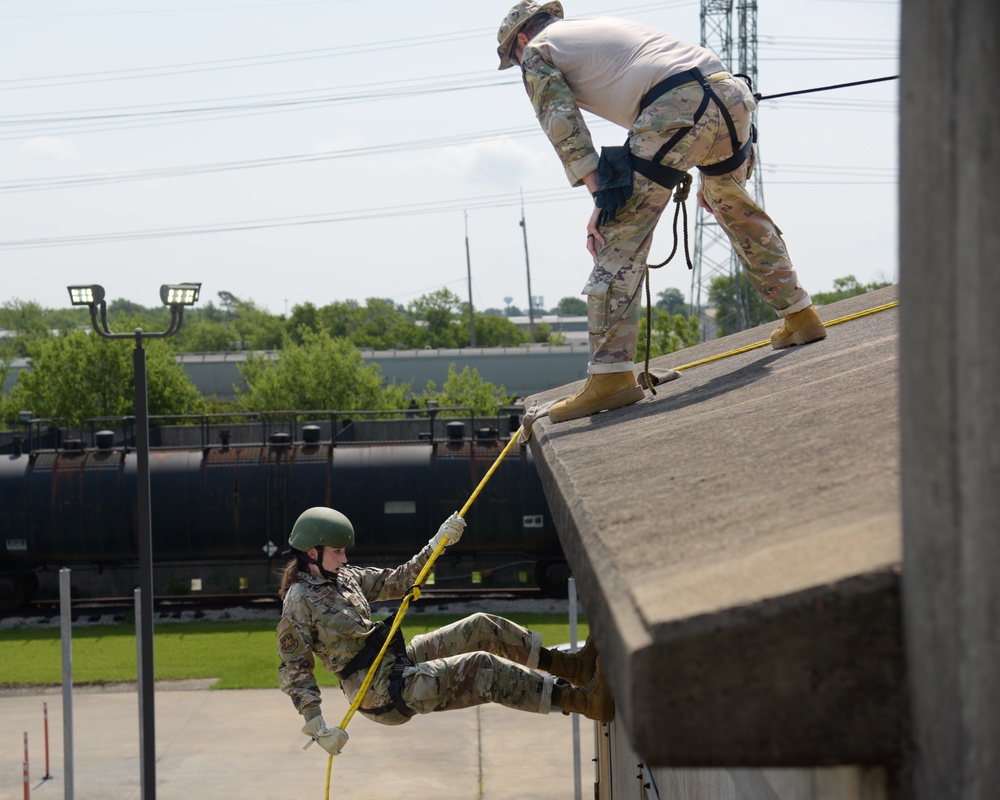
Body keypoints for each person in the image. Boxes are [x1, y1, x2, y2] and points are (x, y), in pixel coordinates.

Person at [497, 1, 827, 423]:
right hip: (730, 94)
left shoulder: (538, 52)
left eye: (514, 55)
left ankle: (611, 377)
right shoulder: (598, 30)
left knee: (618, 238)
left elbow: (562, 124)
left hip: (676, 107)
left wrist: (603, 199)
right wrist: (721, 167)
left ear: (520, 39)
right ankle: (800, 314)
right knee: (735, 206)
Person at [276, 506, 613, 756]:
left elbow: (399, 580)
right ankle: (582, 701)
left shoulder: (345, 578)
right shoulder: (299, 601)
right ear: (312, 553)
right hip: (379, 692)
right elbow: (295, 668)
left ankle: (572, 667)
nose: (345, 557)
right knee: (482, 667)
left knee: (481, 626)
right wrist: (317, 726)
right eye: (338, 551)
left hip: (393, 662)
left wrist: (437, 543)